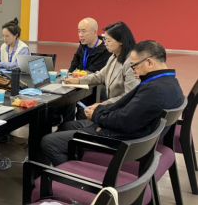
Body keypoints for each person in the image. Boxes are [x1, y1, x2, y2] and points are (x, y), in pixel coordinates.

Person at [41, 40, 185, 166]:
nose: (133, 71)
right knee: (67, 125)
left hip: (122, 141)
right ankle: (70, 161)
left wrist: (97, 115)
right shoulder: (170, 82)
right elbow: (128, 110)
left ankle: (74, 176)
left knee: (49, 142)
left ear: (149, 62)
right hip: (130, 133)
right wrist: (102, 108)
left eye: (134, 66)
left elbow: (124, 120)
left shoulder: (154, 90)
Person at [64, 21, 139, 109]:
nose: (105, 43)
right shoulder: (114, 56)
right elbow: (100, 76)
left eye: (108, 40)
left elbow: (129, 96)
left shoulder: (130, 63)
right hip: (114, 106)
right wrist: (78, 80)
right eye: (105, 40)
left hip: (122, 109)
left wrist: (102, 105)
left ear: (121, 41)